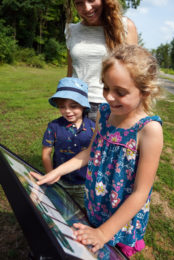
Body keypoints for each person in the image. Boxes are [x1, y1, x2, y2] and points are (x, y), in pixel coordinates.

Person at [31, 45, 163, 258]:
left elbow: (141, 192)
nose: (109, 97)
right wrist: (56, 172)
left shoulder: (149, 130)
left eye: (120, 92)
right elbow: (90, 152)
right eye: (105, 87)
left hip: (122, 212)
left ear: (145, 91)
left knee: (113, 251)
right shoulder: (104, 112)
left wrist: (103, 232)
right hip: (96, 199)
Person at [64, 0, 138, 122]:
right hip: (77, 107)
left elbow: (135, 79)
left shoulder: (125, 28)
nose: (87, 8)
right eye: (78, 2)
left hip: (111, 108)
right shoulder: (71, 30)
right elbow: (71, 72)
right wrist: (67, 104)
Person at [41, 77, 95, 208]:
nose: (67, 111)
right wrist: (51, 177)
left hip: (85, 183)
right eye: (62, 107)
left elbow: (95, 155)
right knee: (62, 212)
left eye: (73, 106)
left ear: (83, 105)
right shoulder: (53, 126)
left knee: (84, 214)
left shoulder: (93, 128)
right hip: (61, 182)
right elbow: (46, 154)